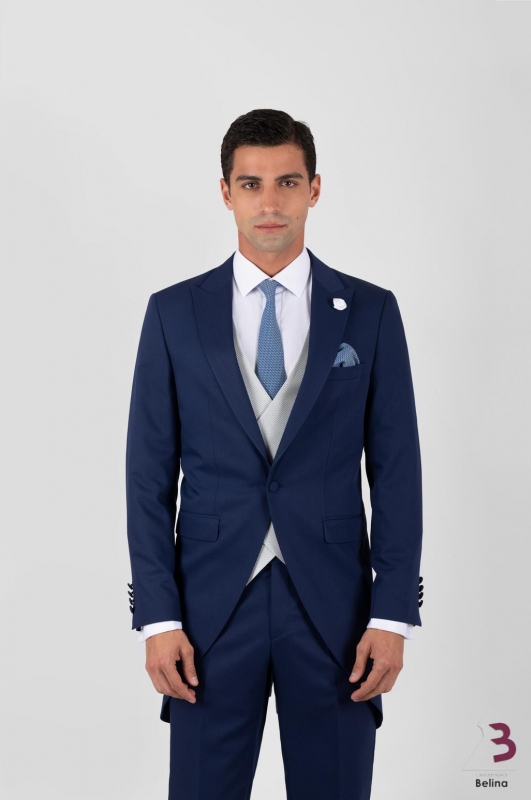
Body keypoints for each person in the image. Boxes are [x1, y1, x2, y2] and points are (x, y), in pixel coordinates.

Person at [125, 108, 424, 800]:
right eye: (251, 184)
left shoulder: (371, 312)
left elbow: (397, 472)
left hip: (335, 615)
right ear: (225, 192)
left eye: (287, 182)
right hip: (207, 613)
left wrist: (391, 615)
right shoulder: (173, 314)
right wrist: (159, 618)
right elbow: (147, 477)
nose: (270, 203)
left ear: (314, 189)